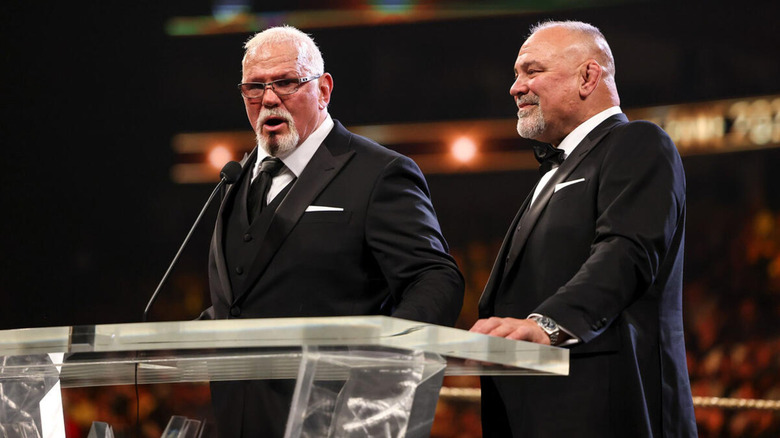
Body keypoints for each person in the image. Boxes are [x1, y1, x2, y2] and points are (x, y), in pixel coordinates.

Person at [198, 25, 464, 437]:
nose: (268, 99)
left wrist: (379, 371)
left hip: (337, 421)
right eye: (254, 88)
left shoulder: (378, 173)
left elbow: (436, 280)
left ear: (323, 90)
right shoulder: (235, 179)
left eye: (285, 82)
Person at [469, 20, 697, 437]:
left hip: (608, 411)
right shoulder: (557, 168)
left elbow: (625, 253)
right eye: (516, 74)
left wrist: (549, 324)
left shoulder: (638, 143)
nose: (515, 87)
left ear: (588, 77)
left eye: (532, 71)